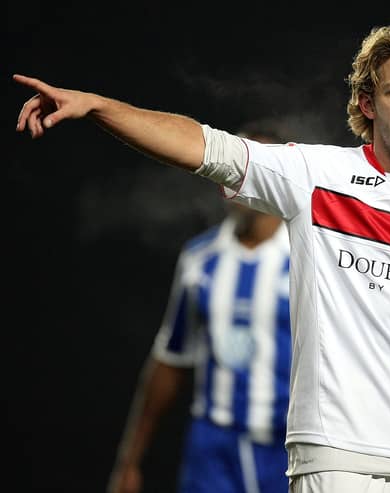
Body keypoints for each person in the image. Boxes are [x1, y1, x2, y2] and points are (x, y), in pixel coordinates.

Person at [14, 22, 390, 493]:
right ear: (368, 104)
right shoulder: (317, 176)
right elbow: (202, 145)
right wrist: (96, 106)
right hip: (339, 457)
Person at [107, 127, 292, 493]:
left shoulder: (310, 259)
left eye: (247, 169)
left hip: (286, 450)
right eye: (229, 168)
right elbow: (171, 360)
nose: (234, 180)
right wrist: (130, 460)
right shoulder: (200, 259)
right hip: (213, 450)